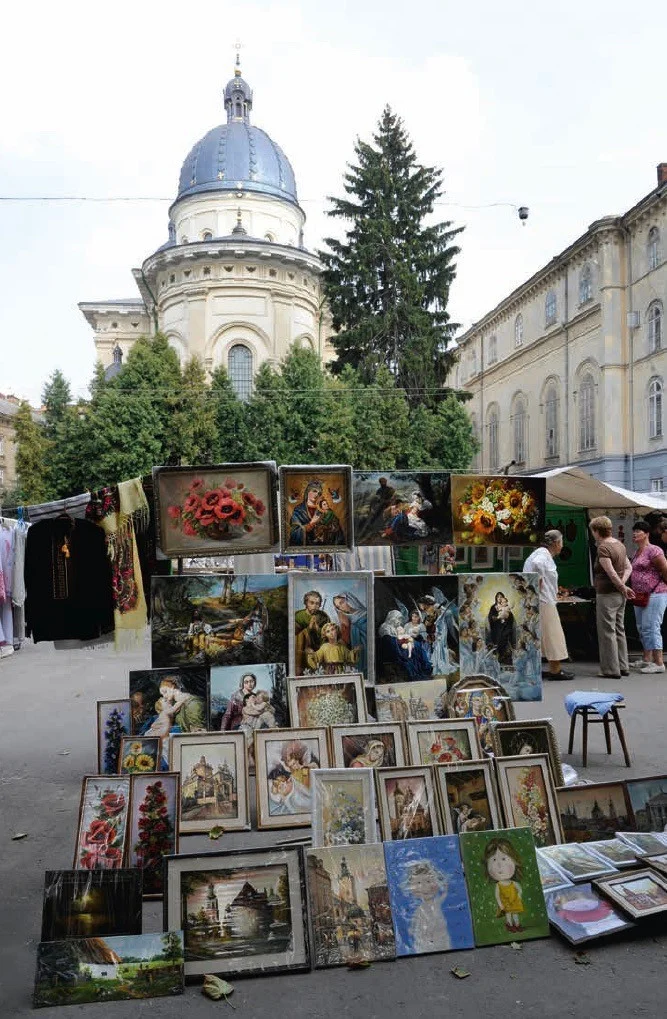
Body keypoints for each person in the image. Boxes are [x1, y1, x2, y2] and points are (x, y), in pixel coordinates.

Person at [523, 529, 574, 681]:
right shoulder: (542, 556)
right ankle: (555, 670)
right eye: (561, 542)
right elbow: (538, 567)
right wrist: (538, 584)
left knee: (541, 636)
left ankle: (545, 669)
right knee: (553, 635)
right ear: (557, 543)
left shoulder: (541, 553)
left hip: (542, 599)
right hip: (544, 601)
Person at [589, 516, 633, 679]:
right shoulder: (619, 545)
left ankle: (610, 669)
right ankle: (623, 665)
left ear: (596, 530)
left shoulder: (603, 548)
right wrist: (623, 585)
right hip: (620, 595)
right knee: (619, 629)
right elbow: (629, 567)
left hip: (606, 593)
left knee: (607, 631)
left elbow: (610, 572)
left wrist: (621, 585)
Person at [630, 520, 667, 673]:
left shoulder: (654, 550)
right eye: (634, 531)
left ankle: (659, 663)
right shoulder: (637, 552)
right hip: (640, 594)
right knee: (642, 627)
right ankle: (647, 659)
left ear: (646, 534)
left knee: (652, 627)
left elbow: (664, 568)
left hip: (655, 593)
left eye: (638, 531)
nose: (635, 534)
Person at [484, 838, 525, 933]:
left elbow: (519, 890)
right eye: (494, 859)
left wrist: (518, 896)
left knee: (515, 914)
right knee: (508, 915)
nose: (499, 865)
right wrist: (501, 905)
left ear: (514, 861)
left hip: (514, 902)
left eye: (503, 859)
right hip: (505, 904)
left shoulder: (514, 883)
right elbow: (497, 896)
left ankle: (517, 925)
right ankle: (510, 925)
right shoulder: (499, 885)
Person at [294, 590, 330, 673]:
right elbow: (294, 635)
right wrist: (309, 628)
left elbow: (328, 635)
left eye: (317, 604)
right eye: (312, 603)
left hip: (319, 648)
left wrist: (317, 628)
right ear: (306, 603)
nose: (315, 606)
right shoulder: (299, 616)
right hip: (303, 649)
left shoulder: (323, 616)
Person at [486, 592, 516, 666]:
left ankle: (504, 656)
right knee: (498, 638)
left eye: (501, 597)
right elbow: (490, 617)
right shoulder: (494, 607)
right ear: (496, 598)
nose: (499, 598)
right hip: (496, 627)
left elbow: (510, 616)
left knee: (505, 637)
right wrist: (495, 618)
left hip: (505, 626)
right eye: (498, 597)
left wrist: (506, 618)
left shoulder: (506, 606)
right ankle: (498, 656)